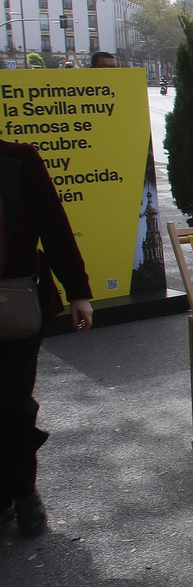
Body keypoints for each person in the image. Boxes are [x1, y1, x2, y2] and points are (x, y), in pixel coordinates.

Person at [0, 136, 93, 537]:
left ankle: (23, 493)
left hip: (13, 304)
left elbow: (53, 224)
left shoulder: (17, 159)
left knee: (12, 403)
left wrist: (78, 291)